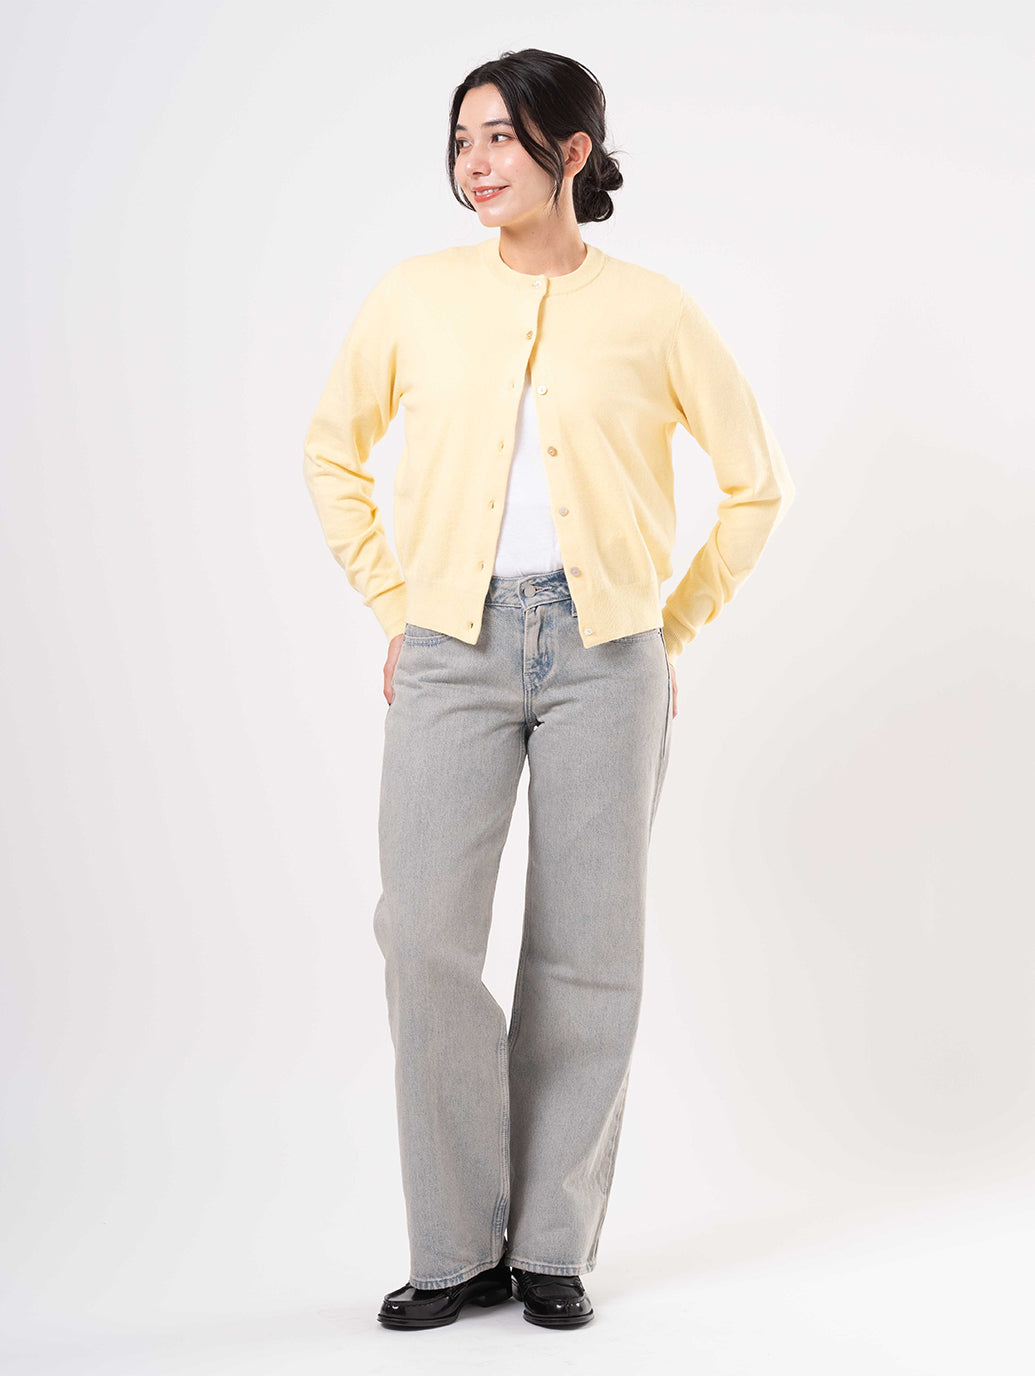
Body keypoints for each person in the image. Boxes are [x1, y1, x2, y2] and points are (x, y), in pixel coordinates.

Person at [302, 47, 795, 1332]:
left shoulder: (655, 311)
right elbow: (331, 453)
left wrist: (669, 626)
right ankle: (456, 1241)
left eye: (502, 137)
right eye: (462, 138)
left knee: (587, 952)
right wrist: (395, 602)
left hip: (607, 654)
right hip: (449, 644)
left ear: (570, 151)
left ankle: (551, 1247)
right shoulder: (414, 296)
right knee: (423, 936)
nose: (475, 162)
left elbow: (756, 485)